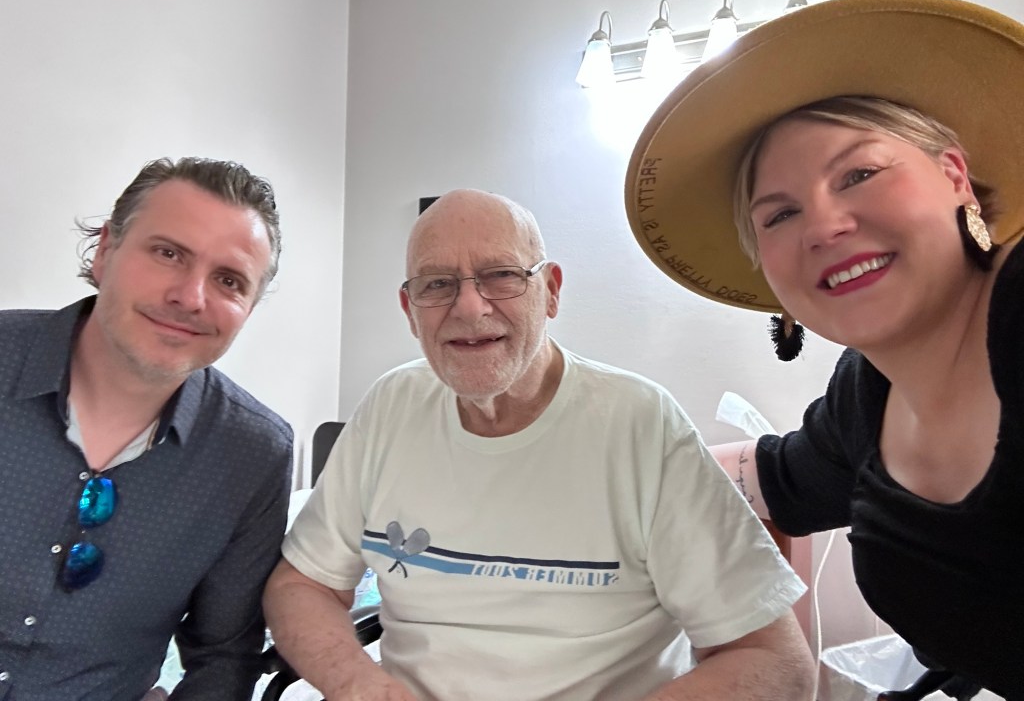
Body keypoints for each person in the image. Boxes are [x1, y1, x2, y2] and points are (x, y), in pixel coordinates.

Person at [262, 188, 814, 701]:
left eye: (501, 275)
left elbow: (776, 661)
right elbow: (302, 585)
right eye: (437, 284)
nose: (469, 307)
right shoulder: (390, 408)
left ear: (550, 291)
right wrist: (366, 688)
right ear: (410, 311)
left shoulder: (640, 424)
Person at [625, 0, 1024, 699]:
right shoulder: (864, 394)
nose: (824, 225)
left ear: (954, 177)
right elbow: (776, 478)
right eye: (780, 214)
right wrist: (595, 467)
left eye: (859, 175)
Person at [0, 157, 294, 700]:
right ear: (105, 251)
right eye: (168, 254)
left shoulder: (252, 453)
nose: (191, 297)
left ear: (248, 309)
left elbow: (223, 657)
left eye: (228, 281)